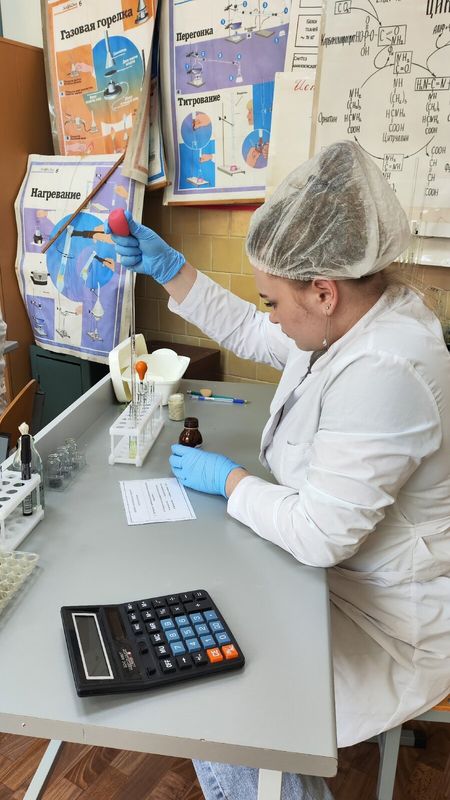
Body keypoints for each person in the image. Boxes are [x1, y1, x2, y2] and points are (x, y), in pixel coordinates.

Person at [107, 141, 450, 800]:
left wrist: (230, 481)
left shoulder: (388, 368)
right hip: (329, 576)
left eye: (272, 300)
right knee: (200, 640)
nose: (268, 314)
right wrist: (173, 271)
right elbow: (253, 332)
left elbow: (320, 534)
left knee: (211, 685)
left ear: (322, 291)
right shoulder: (350, 320)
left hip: (385, 617)